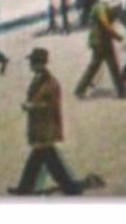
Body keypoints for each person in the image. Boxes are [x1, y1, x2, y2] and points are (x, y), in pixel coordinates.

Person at [8, 47, 84, 196]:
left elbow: (50, 106)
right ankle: (70, 188)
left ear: (40, 64)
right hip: (40, 127)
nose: (30, 65)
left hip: (46, 127)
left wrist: (32, 106)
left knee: (42, 160)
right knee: (47, 161)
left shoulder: (51, 83)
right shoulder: (39, 78)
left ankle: (25, 189)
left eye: (32, 62)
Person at [75, 0, 126, 99]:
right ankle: (80, 89)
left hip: (102, 41)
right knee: (97, 66)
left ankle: (121, 91)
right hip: (99, 41)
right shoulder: (100, 7)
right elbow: (106, 25)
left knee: (110, 66)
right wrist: (120, 38)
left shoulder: (102, 6)